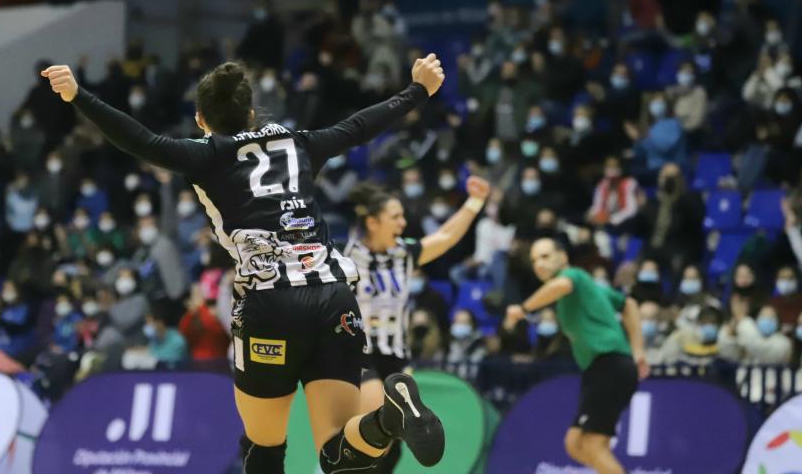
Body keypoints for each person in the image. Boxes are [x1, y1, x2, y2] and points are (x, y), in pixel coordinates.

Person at [40, 54, 448, 472]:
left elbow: (139, 140)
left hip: (270, 304)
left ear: (201, 120)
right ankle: (387, 418)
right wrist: (417, 89)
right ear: (252, 114)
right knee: (336, 452)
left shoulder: (206, 154)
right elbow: (361, 126)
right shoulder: (299, 143)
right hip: (334, 297)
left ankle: (382, 419)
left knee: (264, 447)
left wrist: (78, 96)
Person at [344, 176, 490, 472]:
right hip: (359, 352)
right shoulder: (347, 257)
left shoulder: (404, 254)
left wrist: (474, 203)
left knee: (392, 447)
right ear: (372, 222)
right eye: (395, 216)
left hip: (396, 354)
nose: (402, 222)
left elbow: (447, 237)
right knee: (375, 427)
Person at [506, 237, 647, 474]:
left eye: (545, 256)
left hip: (609, 365)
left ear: (563, 257)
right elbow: (629, 304)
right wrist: (639, 351)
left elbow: (561, 286)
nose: (539, 264)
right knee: (576, 444)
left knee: (589, 445)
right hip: (603, 369)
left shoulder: (574, 277)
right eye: (534, 260)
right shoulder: (588, 286)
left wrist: (523, 308)